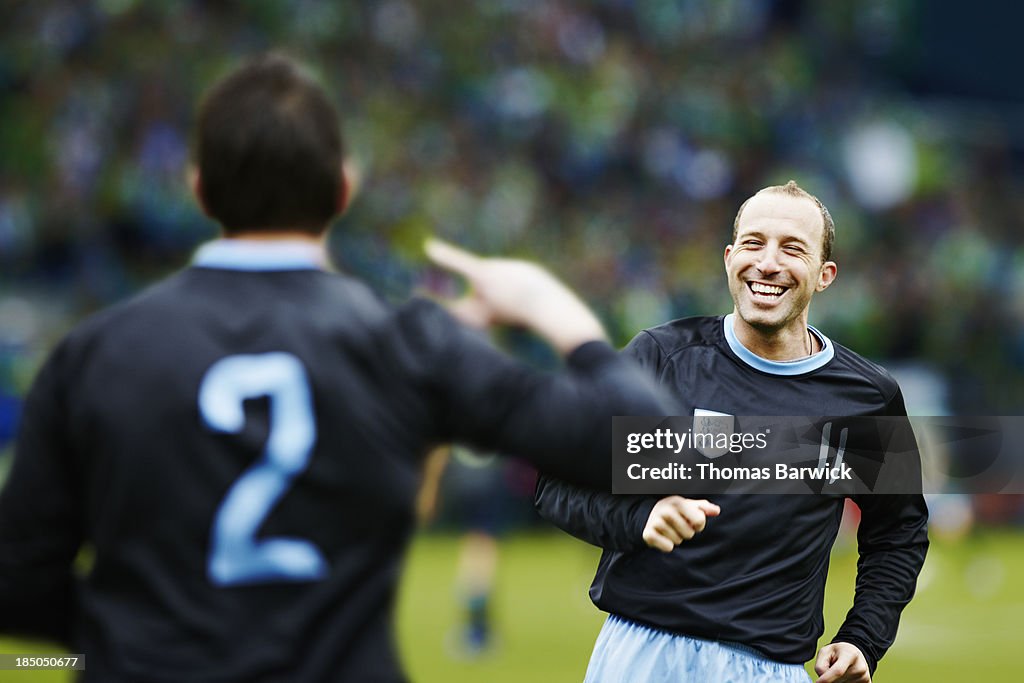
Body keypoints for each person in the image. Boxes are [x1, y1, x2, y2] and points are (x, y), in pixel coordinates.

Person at [0, 53, 670, 682]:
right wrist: (556, 312)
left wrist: (133, 634)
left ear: (199, 189)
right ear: (343, 188)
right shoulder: (407, 342)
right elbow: (663, 449)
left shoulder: (93, 351)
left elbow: (17, 581)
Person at [535, 181, 929, 683]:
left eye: (792, 248)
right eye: (752, 243)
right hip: (642, 657)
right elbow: (556, 481)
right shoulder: (660, 360)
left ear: (825, 275)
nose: (767, 263)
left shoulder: (866, 399)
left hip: (770, 669)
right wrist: (638, 519)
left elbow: (898, 531)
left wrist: (863, 638)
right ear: (728, 258)